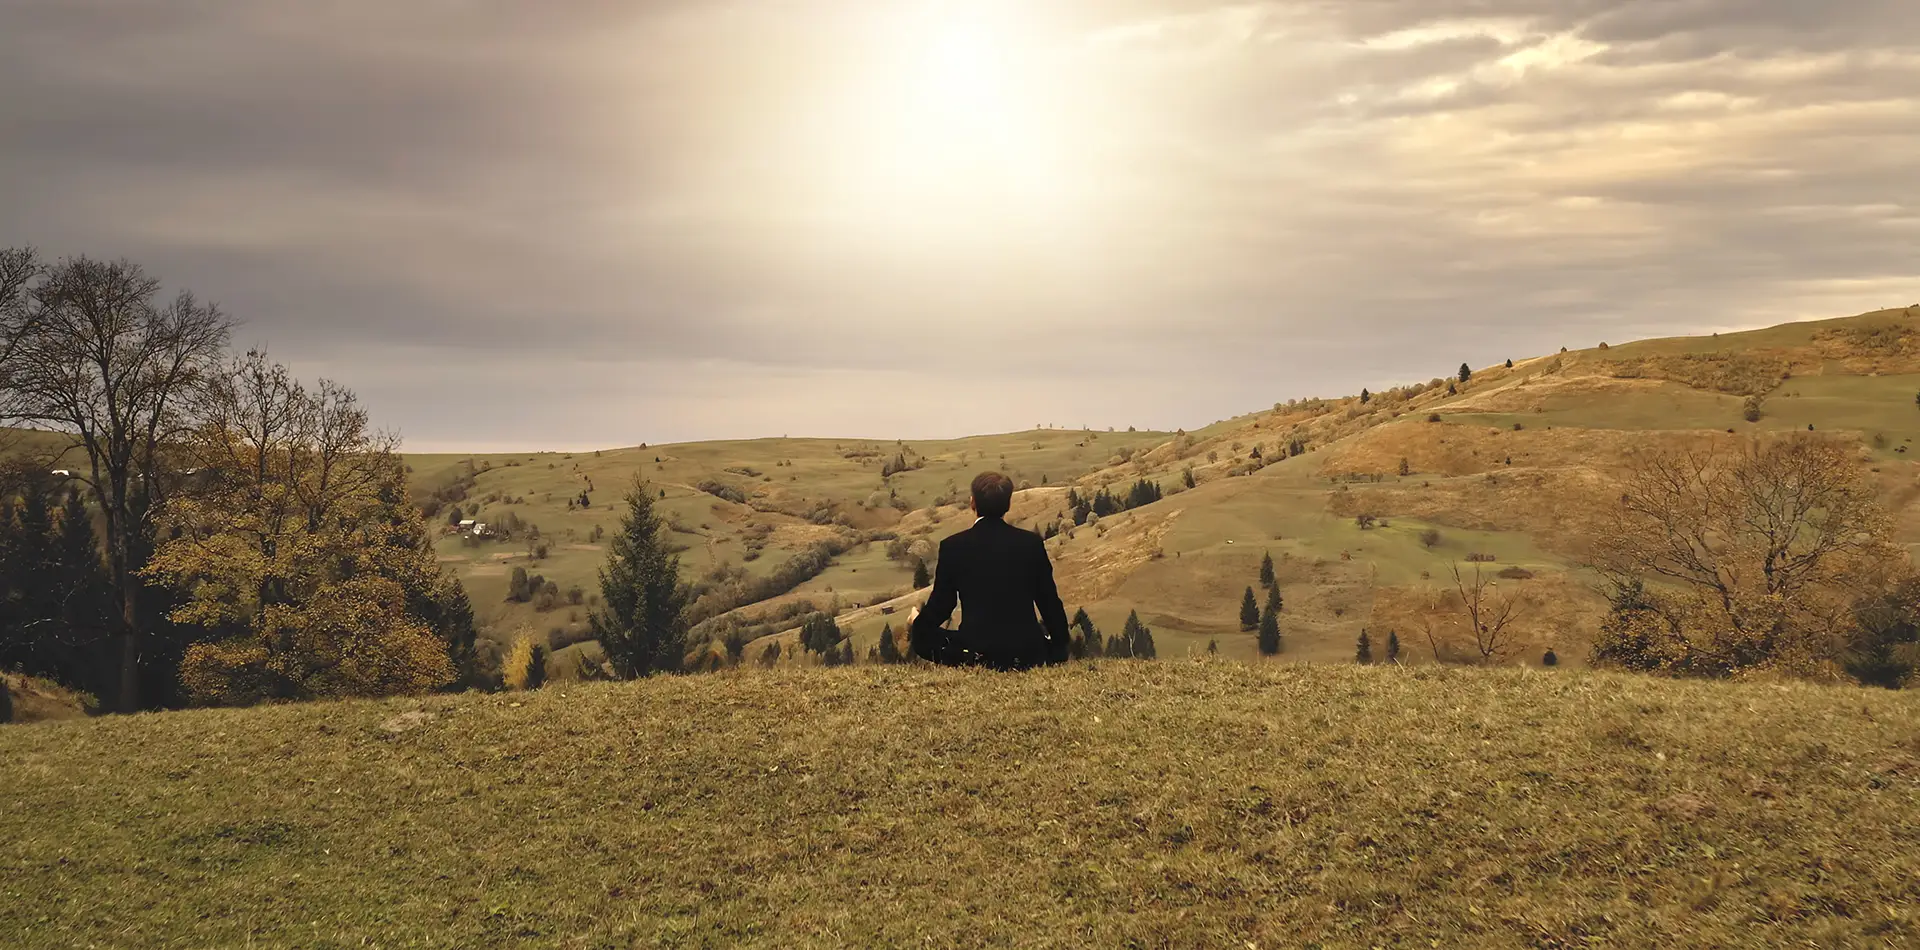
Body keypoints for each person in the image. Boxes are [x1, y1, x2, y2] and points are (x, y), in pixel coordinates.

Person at [910, 471, 1071, 670]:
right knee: (1041, 643)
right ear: (1008, 505)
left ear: (972, 503)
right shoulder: (1030, 544)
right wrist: (1060, 645)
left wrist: (918, 625)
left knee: (925, 637)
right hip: (1026, 651)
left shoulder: (953, 546)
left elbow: (943, 605)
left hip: (976, 651)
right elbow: (1048, 601)